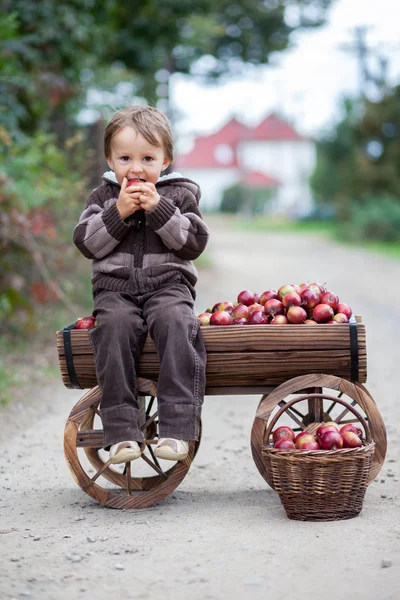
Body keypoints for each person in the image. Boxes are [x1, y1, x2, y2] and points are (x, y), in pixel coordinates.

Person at [73, 105, 209, 464]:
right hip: (115, 290)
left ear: (166, 159)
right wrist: (116, 213)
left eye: (147, 157)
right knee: (113, 327)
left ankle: (177, 429)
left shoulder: (180, 195)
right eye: (125, 158)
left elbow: (193, 243)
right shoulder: (102, 198)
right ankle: (120, 433)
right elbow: (87, 244)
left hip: (168, 286)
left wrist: (160, 209)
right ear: (110, 160)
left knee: (178, 323)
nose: (136, 168)